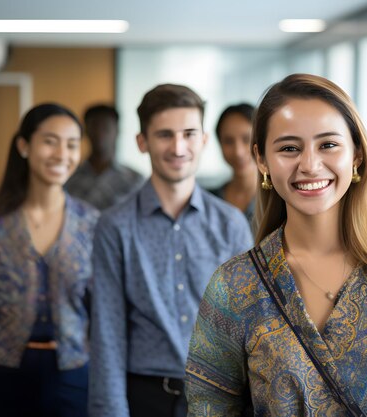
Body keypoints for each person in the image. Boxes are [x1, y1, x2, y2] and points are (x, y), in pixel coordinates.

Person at [185, 74, 367, 416]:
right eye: (289, 148)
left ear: (356, 153)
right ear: (262, 160)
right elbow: (209, 408)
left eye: (328, 145)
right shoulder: (234, 285)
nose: (310, 165)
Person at [88, 84, 253, 417]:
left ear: (204, 140)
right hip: (146, 397)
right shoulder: (114, 226)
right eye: (165, 135)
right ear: (142, 142)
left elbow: (249, 326)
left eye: (189, 133)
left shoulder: (231, 224)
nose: (178, 147)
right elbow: (107, 332)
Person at [0, 103, 100, 417]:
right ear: (23, 145)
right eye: (50, 141)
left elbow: (101, 312)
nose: (62, 154)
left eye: (72, 144)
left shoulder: (91, 222)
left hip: (72, 374)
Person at [65, 104, 144, 210]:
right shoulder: (69, 175)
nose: (99, 132)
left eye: (106, 127)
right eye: (94, 126)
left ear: (117, 131)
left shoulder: (135, 180)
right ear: (85, 131)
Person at [209, 103, 257, 224]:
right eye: (228, 141)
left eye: (247, 139)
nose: (238, 152)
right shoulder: (209, 201)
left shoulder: (280, 200)